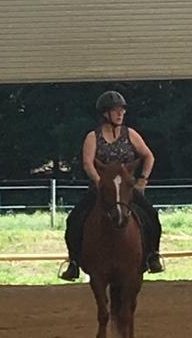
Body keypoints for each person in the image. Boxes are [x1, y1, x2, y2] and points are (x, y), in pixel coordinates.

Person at [59, 90, 163, 281]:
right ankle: (73, 262)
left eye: (122, 110)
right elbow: (88, 163)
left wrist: (142, 180)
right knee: (74, 219)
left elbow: (149, 156)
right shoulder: (93, 137)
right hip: (101, 190)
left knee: (152, 216)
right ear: (105, 113)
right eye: (116, 110)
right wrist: (100, 182)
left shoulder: (131, 134)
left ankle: (153, 255)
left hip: (126, 191)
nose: (120, 113)